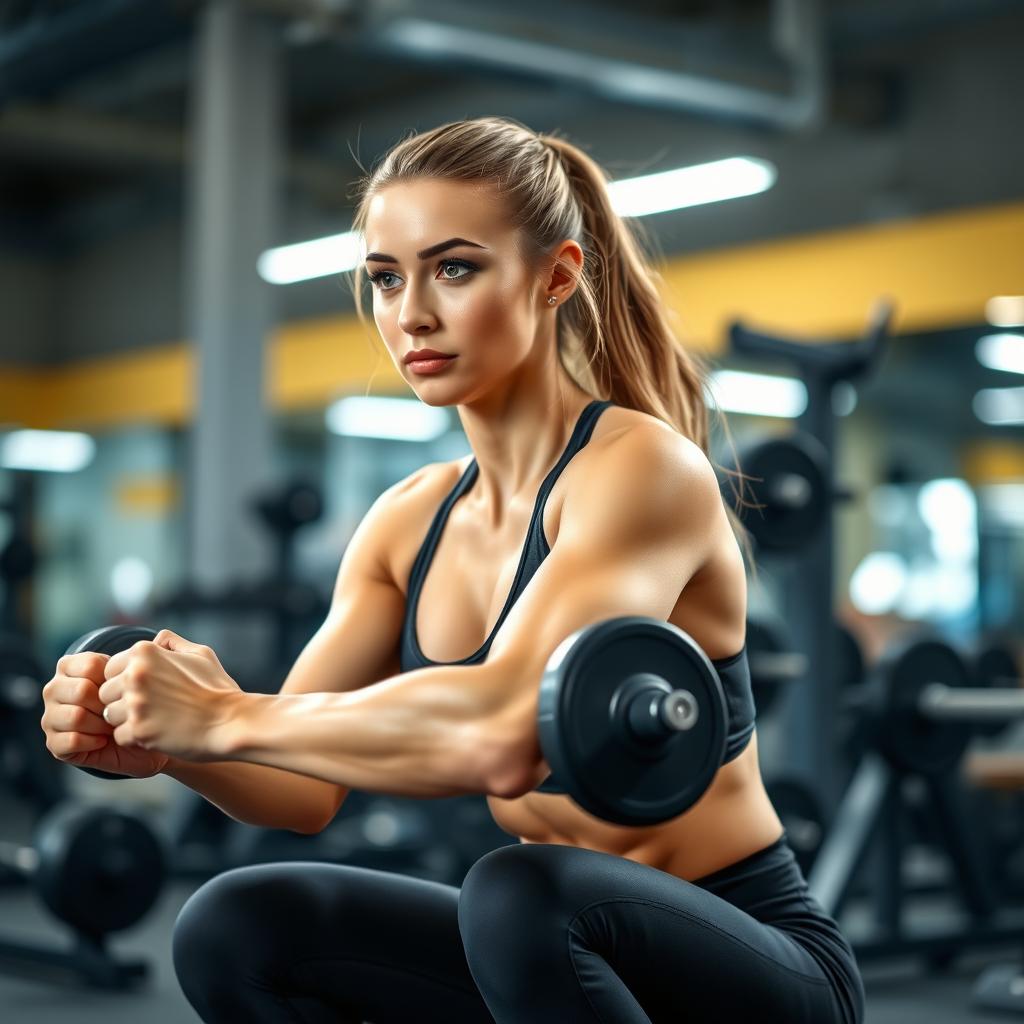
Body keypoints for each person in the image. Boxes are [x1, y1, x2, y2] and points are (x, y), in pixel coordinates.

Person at [41, 116, 864, 1023]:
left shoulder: (640, 468)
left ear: (556, 276)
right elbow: (300, 789)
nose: (412, 313)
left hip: (750, 961)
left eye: (456, 268)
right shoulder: (407, 520)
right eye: (387, 278)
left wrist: (228, 712)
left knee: (518, 891)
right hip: (561, 956)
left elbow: (505, 737)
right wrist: (173, 743)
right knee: (237, 925)